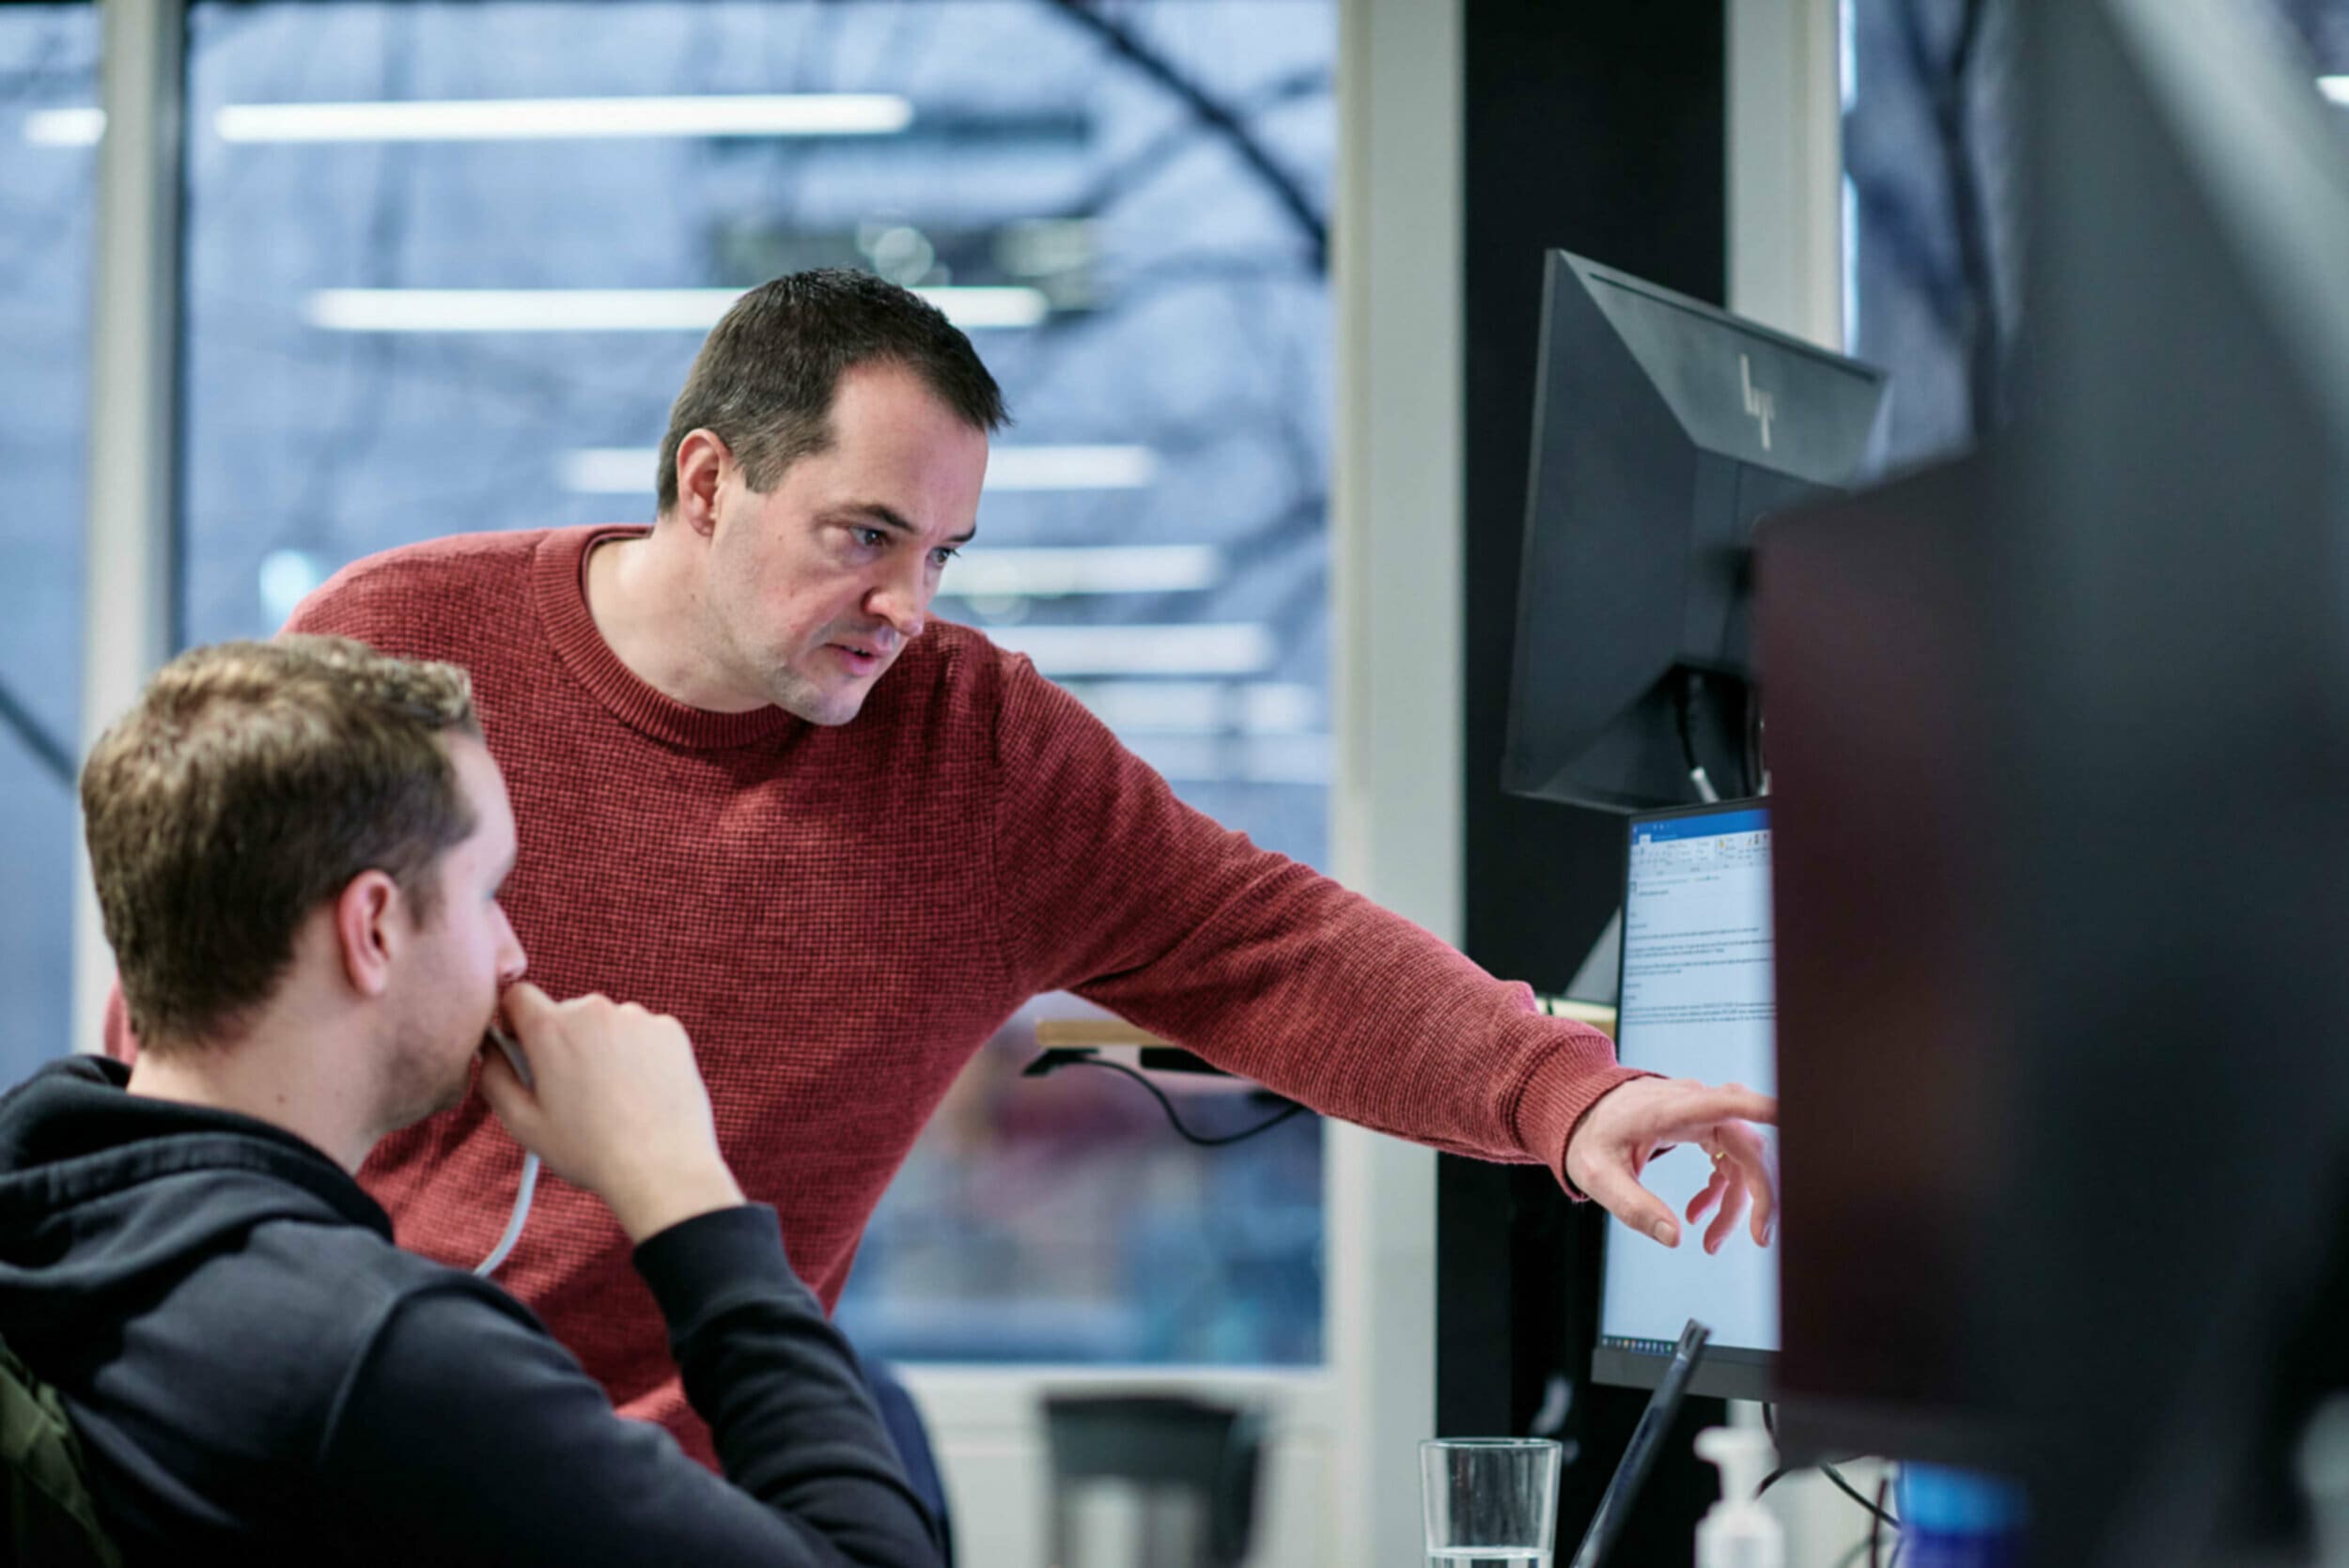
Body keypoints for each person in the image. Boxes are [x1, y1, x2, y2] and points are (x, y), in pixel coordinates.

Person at [116, 268, 1776, 1463]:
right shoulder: (408, 643)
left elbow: (1265, 939)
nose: (912, 605)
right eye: (866, 535)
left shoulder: (970, 751)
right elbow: (191, 1019)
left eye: (945, 553)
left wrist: (1562, 1090)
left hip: (688, 1473)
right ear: (712, 478)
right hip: (363, 1422)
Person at [29, 637, 941, 1564]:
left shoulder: (49, 1207)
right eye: (490, 893)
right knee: (887, 1421)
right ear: (373, 927)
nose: (513, 954)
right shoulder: (382, 1358)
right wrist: (685, 1192)